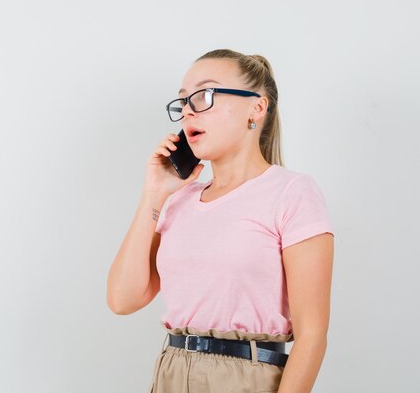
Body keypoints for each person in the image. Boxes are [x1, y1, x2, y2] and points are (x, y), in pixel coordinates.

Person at [107, 48, 334, 393]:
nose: (187, 111)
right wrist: (154, 194)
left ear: (256, 107)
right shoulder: (179, 200)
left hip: (248, 378)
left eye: (204, 95)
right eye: (183, 102)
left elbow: (312, 336)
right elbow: (123, 299)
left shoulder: (292, 192)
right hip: (172, 370)